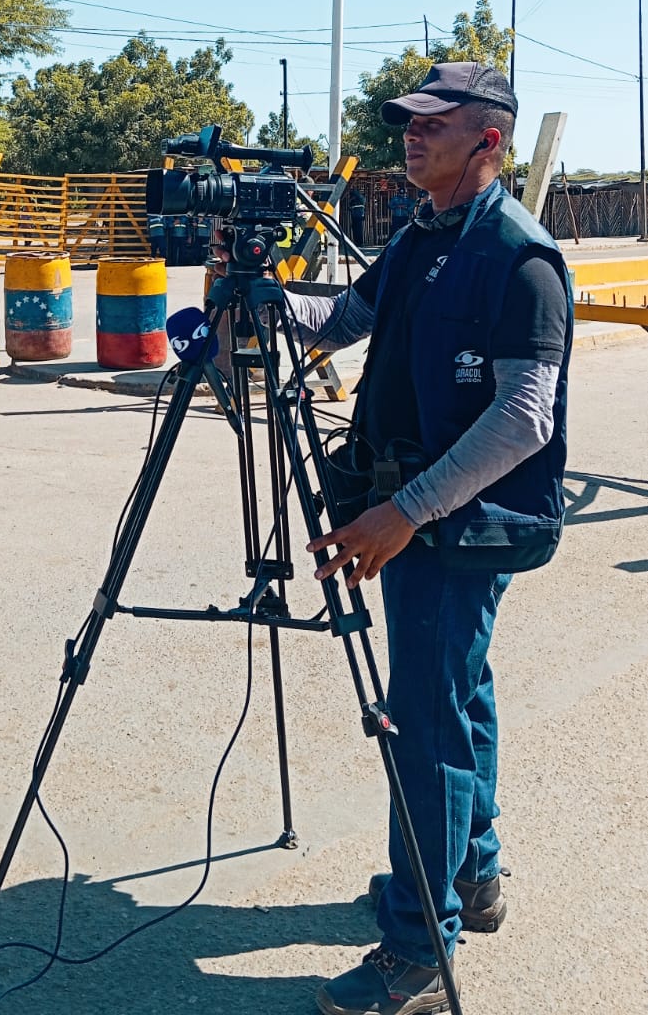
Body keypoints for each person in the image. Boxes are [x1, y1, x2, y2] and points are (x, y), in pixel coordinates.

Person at [285, 62, 573, 1015]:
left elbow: (523, 418)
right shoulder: (422, 235)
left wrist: (404, 512)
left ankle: (417, 950)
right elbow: (341, 320)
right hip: (415, 512)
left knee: (424, 723)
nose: (409, 136)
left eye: (430, 125)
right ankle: (472, 875)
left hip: (458, 526)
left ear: (486, 139)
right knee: (458, 692)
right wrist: (260, 294)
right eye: (406, 123)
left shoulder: (518, 256)